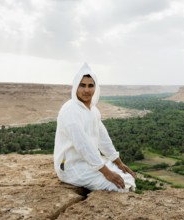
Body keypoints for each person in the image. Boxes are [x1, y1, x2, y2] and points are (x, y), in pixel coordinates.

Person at [54, 63, 136, 192]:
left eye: (90, 85)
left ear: (95, 88)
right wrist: (107, 173)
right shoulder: (70, 111)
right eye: (82, 85)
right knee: (120, 186)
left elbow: (103, 139)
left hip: (90, 163)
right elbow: (82, 145)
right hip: (72, 167)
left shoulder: (93, 110)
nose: (86, 90)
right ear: (76, 87)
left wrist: (119, 163)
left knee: (127, 177)